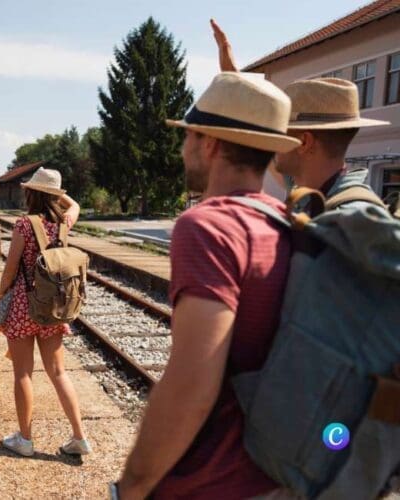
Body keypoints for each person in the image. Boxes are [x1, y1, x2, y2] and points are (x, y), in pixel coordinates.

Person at [115, 72, 302, 499]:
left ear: (209, 143)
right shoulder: (286, 222)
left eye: (187, 137)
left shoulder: (209, 226)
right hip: (279, 471)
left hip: (217, 483)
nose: (183, 150)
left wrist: (133, 485)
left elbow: (191, 389)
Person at [211, 19, 390, 204]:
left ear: (304, 142)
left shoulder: (353, 219)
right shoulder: (310, 192)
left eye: (281, 134)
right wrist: (234, 81)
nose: (274, 141)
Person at [0, 167, 91, 458]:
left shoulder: (24, 225)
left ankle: (24, 439)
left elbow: (10, 270)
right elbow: (74, 205)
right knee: (59, 372)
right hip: (54, 307)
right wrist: (59, 194)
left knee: (23, 373)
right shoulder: (64, 223)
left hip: (25, 306)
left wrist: (0, 298)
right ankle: (79, 437)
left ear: (31, 193)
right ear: (53, 196)